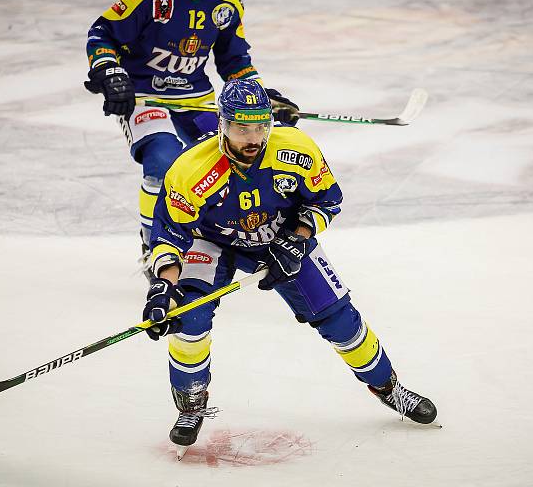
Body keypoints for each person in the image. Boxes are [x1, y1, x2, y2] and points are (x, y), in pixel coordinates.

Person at [142, 79, 437, 455]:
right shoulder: (189, 172)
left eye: (260, 126)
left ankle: (389, 388)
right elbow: (169, 237)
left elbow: (327, 200)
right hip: (214, 242)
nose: (253, 138)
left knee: (340, 319)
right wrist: (163, 289)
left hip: (283, 238)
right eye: (241, 128)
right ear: (222, 124)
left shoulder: (296, 150)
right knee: (188, 318)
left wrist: (296, 238)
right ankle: (191, 405)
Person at [83, 0, 299, 273]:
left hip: (196, 100)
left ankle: (222, 235)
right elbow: (103, 33)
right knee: (163, 162)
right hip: (145, 96)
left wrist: (260, 98)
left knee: (232, 158)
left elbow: (234, 59)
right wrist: (110, 70)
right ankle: (155, 246)